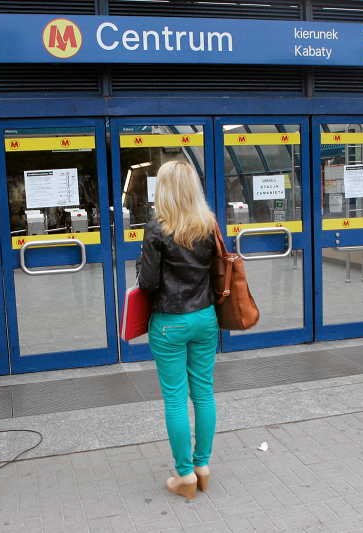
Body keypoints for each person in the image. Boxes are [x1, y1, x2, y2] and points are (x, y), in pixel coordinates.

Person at [137, 160, 219, 499]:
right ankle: (203, 467)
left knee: (175, 398)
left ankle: (184, 475)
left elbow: (149, 283)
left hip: (170, 321)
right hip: (205, 317)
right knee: (204, 393)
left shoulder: (157, 229)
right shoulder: (208, 224)